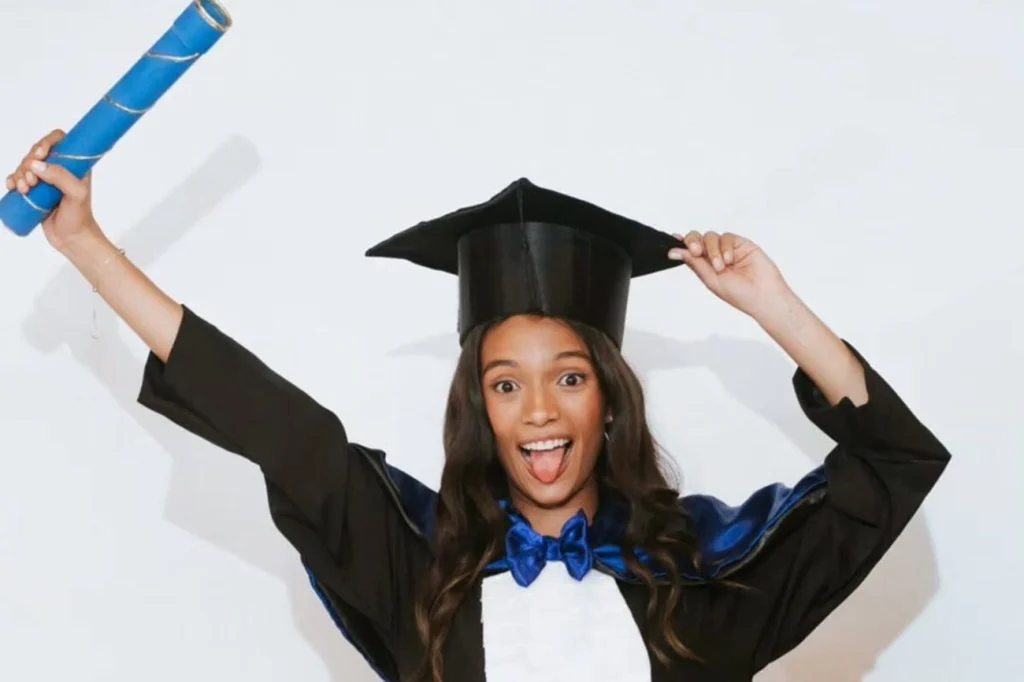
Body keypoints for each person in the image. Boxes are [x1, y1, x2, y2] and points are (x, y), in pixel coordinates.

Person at [6, 130, 950, 682]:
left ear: (609, 404)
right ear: (478, 411)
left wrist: (773, 307)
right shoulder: (419, 572)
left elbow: (895, 463)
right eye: (505, 383)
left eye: (569, 377)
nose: (538, 410)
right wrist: (88, 247)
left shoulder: (704, 577)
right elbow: (278, 426)